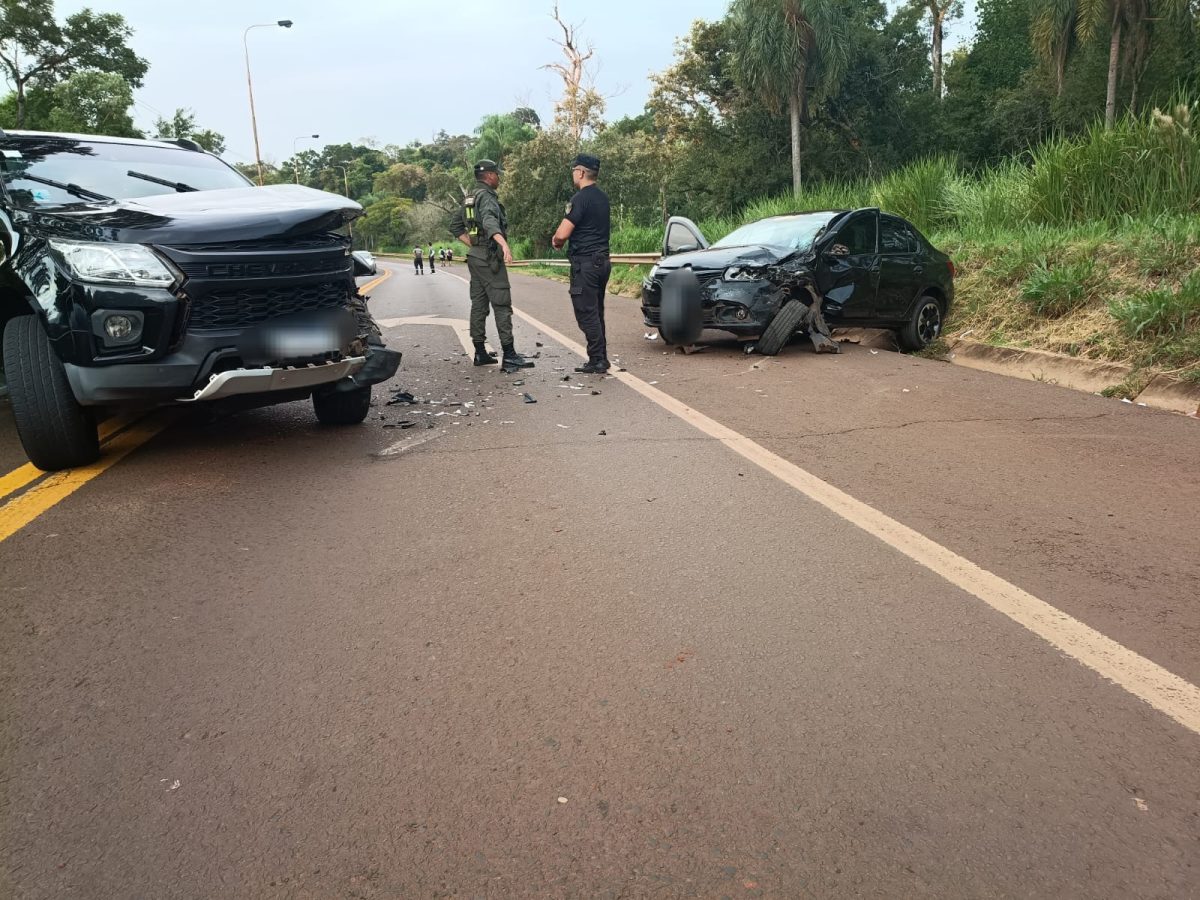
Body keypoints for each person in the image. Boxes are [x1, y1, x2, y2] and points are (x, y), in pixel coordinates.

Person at [448, 159, 534, 371]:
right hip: (489, 258)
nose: (499, 177)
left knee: (479, 304)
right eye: (497, 174)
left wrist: (474, 244)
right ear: (489, 176)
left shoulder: (469, 197)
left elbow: (455, 225)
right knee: (502, 304)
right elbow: (489, 221)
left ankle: (480, 352)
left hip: (476, 257)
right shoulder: (486, 196)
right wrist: (503, 244)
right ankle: (510, 354)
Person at [551, 153, 611, 374]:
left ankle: (597, 359)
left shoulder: (580, 199)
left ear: (582, 172)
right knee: (596, 311)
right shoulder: (603, 198)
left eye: (575, 170)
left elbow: (563, 232)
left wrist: (557, 240)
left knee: (586, 312)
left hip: (585, 264)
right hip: (602, 261)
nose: (573, 174)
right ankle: (600, 357)